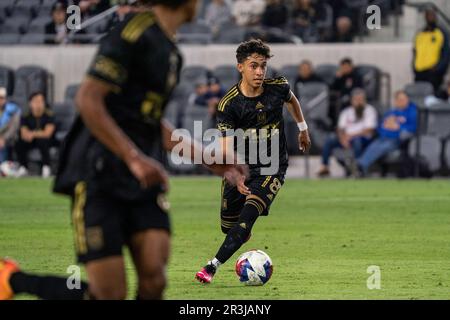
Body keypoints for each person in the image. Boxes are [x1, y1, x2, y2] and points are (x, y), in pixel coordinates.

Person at [0, 0, 246, 301]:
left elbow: (151, 123)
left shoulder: (171, 53)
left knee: (155, 279)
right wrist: (133, 157)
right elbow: (88, 99)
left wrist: (210, 158)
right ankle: (13, 279)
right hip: (98, 173)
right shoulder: (133, 32)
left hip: (140, 178)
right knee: (108, 293)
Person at [195, 39, 311, 284]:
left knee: (247, 217)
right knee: (229, 227)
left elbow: (292, 100)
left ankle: (211, 267)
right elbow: (226, 147)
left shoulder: (278, 87)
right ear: (240, 67)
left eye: (263, 66)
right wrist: (236, 175)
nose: (259, 72)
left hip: (273, 167)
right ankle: (239, 233)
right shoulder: (229, 105)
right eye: (253, 66)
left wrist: (303, 128)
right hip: (242, 167)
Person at [354, 91, 417, 176]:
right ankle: (361, 167)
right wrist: (387, 127)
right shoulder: (391, 112)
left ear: (407, 100)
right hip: (383, 138)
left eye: (403, 99)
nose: (401, 101)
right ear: (395, 101)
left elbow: (413, 128)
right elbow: (381, 127)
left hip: (398, 139)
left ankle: (360, 165)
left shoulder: (412, 112)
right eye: (398, 99)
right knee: (373, 146)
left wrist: (398, 127)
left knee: (383, 146)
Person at [317, 88, 377, 177]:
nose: (359, 102)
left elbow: (369, 129)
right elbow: (340, 128)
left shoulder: (369, 110)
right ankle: (325, 166)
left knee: (357, 141)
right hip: (346, 138)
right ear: (352, 100)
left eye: (361, 99)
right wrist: (342, 139)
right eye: (356, 99)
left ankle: (358, 168)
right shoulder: (346, 112)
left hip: (362, 138)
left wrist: (350, 136)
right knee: (330, 139)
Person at [15, 92, 56, 178]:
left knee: (42, 141)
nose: (39, 104)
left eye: (41, 101)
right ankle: (23, 167)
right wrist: (29, 135)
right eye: (36, 101)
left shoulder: (49, 115)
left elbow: (47, 133)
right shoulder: (25, 116)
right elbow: (23, 132)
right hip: (31, 140)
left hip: (47, 140)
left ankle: (46, 167)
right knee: (19, 142)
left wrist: (32, 134)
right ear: (31, 103)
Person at [413, 7, 450, 91]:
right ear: (425, 17)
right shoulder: (420, 34)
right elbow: (415, 52)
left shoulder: (442, 32)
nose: (430, 17)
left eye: (432, 15)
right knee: (419, 96)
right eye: (428, 15)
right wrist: (414, 68)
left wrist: (438, 69)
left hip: (433, 73)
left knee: (433, 98)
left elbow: (446, 53)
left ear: (436, 16)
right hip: (419, 72)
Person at [329, 57, 363, 126]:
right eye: (343, 67)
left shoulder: (356, 76)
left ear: (351, 67)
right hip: (340, 99)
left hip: (353, 99)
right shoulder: (341, 77)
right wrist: (337, 78)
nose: (345, 69)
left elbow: (358, 89)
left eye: (347, 67)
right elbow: (333, 88)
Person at [0, 87, 21, 163]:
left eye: (1, 98)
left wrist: (4, 138)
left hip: (9, 138)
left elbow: (14, 127)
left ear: (5, 99)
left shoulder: (14, 110)